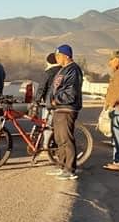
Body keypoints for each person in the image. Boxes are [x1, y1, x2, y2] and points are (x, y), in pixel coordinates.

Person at [49, 44, 84, 180]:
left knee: (66, 138)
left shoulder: (73, 70)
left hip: (67, 108)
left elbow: (71, 93)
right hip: (59, 108)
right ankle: (62, 165)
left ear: (66, 56)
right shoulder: (63, 70)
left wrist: (56, 100)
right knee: (59, 139)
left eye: (58, 56)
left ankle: (70, 169)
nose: (57, 58)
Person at [33, 52, 61, 152]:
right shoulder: (63, 70)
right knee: (57, 126)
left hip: (49, 103)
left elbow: (42, 88)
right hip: (61, 103)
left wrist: (36, 101)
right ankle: (56, 145)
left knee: (47, 125)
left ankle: (46, 146)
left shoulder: (48, 72)